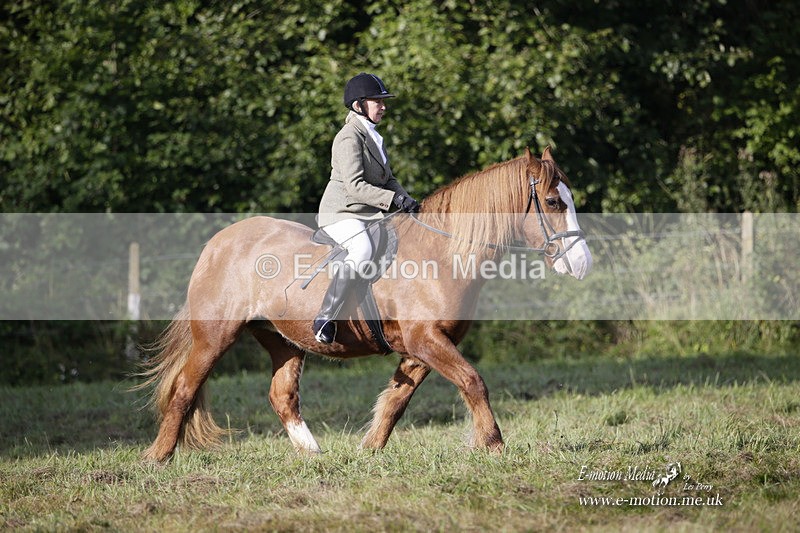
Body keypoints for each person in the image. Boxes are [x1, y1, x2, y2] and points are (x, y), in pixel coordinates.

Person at [313, 73, 420, 344]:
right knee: (362, 249)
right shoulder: (349, 137)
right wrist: (393, 201)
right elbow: (355, 186)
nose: (383, 107)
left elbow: (389, 179)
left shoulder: (373, 136)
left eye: (384, 102)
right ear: (359, 105)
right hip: (342, 212)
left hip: (367, 212)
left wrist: (407, 200)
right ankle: (325, 317)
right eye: (377, 101)